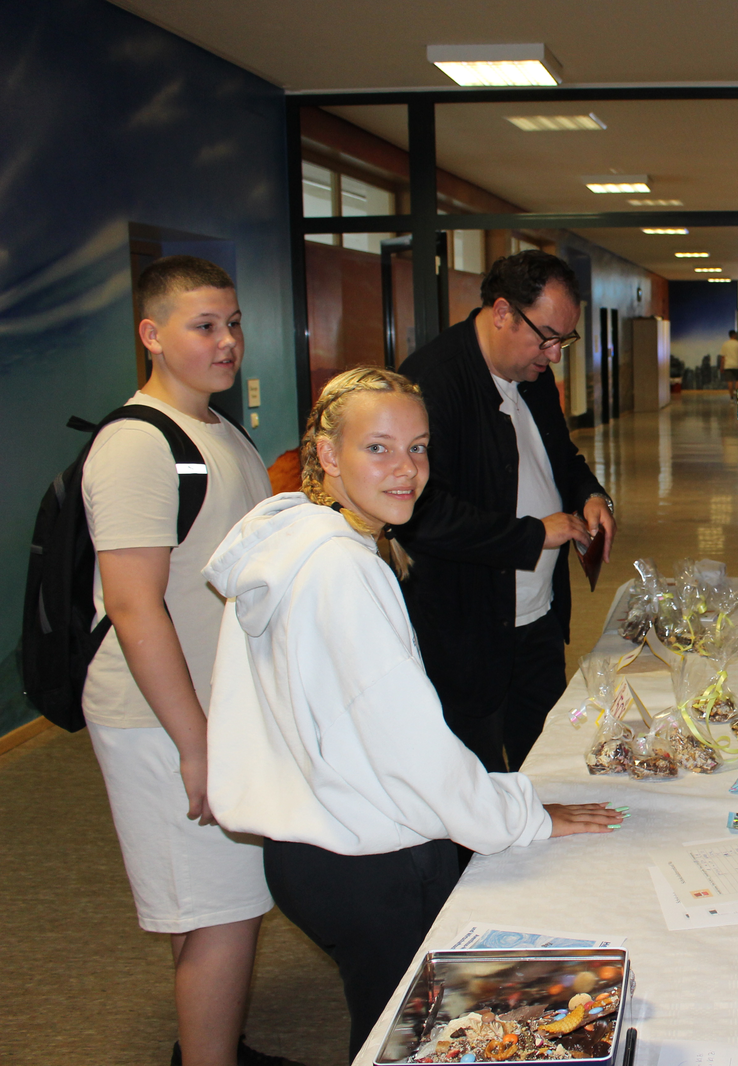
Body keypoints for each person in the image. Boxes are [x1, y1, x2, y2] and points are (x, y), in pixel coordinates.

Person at [204, 368, 623, 1063]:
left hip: (310, 849)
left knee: (385, 1030)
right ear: (328, 454)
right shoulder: (342, 570)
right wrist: (524, 815)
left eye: (419, 448)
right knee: (412, 1042)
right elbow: (413, 750)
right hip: (368, 862)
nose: (406, 469)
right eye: (379, 448)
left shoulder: (292, 549)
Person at [82, 256, 297, 1066]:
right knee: (221, 910)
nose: (227, 340)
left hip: (213, 709)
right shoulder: (137, 445)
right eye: (204, 325)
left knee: (213, 904)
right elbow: (134, 606)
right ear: (152, 334)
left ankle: (211, 1048)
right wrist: (196, 743)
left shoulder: (217, 430)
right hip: (161, 718)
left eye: (233, 323)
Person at [395, 251, 616, 774]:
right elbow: (421, 513)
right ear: (502, 313)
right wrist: (532, 535)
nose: (554, 354)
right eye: (547, 337)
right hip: (468, 635)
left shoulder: (532, 375)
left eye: (564, 340)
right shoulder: (431, 382)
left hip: (538, 619)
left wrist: (590, 495)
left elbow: (562, 457)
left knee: (545, 767)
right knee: (475, 780)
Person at [719, 328, 738, 399]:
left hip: (728, 365)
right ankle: (736, 390)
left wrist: (721, 366)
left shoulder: (725, 344)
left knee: (730, 381)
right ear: (734, 335)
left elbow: (723, 357)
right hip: (736, 365)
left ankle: (731, 397)